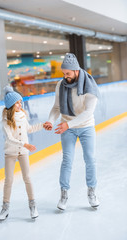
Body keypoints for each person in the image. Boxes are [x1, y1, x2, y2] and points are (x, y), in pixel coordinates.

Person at [44, 53, 100, 210]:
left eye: (67, 73)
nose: (65, 76)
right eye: (63, 73)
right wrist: (50, 120)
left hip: (86, 126)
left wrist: (68, 125)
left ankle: (91, 192)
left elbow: (88, 112)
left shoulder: (89, 86)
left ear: (76, 71)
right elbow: (56, 107)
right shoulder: (60, 85)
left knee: (90, 159)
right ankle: (64, 194)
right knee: (67, 160)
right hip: (66, 126)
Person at [0, 86, 43, 221]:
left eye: (20, 102)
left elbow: (29, 129)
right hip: (10, 153)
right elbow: (10, 139)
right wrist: (25, 144)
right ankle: (5, 208)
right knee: (9, 180)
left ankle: (33, 205)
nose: (20, 104)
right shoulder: (5, 120)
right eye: (17, 102)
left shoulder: (23, 115)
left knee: (27, 178)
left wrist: (42, 125)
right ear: (11, 105)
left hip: (23, 152)